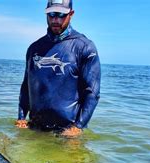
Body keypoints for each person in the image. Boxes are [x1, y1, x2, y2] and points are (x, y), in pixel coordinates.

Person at [16, 0, 101, 137]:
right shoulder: (34, 48)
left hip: (68, 132)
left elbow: (92, 93)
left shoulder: (85, 47)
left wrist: (78, 127)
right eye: (51, 14)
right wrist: (21, 117)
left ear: (71, 14)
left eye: (61, 15)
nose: (55, 19)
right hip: (35, 129)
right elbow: (26, 86)